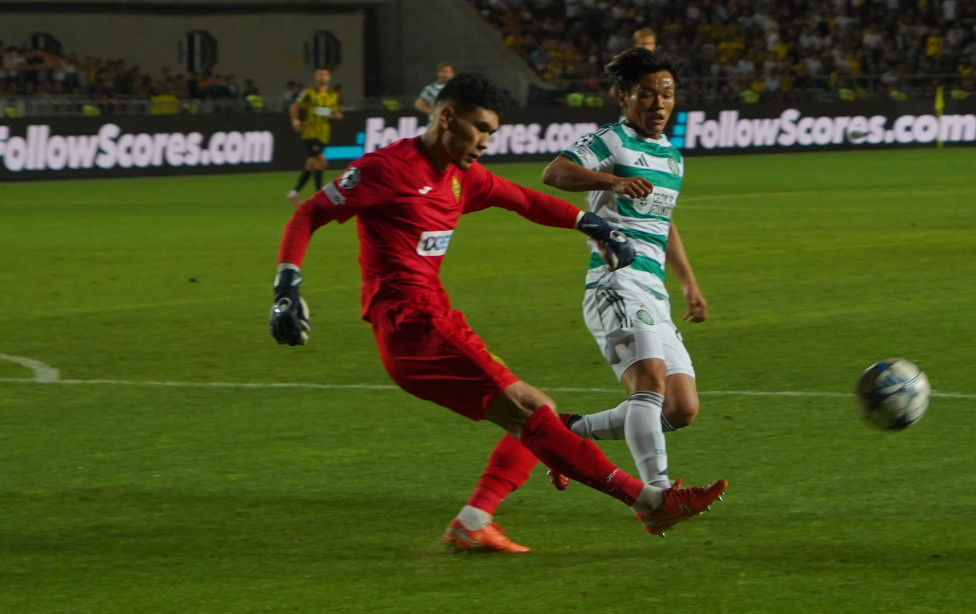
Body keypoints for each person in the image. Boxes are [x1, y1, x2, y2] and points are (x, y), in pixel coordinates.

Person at [269, 72, 726, 554]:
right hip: (412, 325)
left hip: (435, 319)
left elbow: (524, 200)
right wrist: (286, 285)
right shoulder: (388, 168)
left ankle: (474, 520)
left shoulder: (460, 176)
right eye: (480, 129)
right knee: (533, 413)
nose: (486, 142)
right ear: (448, 118)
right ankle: (652, 502)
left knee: (534, 413)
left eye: (492, 131)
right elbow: (309, 213)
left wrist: (593, 224)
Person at [448, 49, 710, 530]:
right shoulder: (611, 140)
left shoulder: (672, 158)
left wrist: (689, 282)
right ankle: (659, 497)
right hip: (615, 281)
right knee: (649, 382)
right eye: (647, 93)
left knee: (681, 407)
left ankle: (567, 432)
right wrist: (612, 180)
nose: (658, 103)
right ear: (623, 96)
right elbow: (554, 172)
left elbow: (664, 222)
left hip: (653, 289)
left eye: (667, 94)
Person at [287, 67, 343, 206]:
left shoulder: (333, 95)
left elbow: (333, 112)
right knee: (321, 162)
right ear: (315, 77)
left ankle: (294, 192)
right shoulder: (309, 93)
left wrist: (336, 115)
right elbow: (294, 107)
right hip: (310, 133)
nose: (322, 77)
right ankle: (320, 197)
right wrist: (295, 120)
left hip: (323, 134)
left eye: (325, 74)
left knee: (312, 165)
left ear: (329, 78)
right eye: (320, 74)